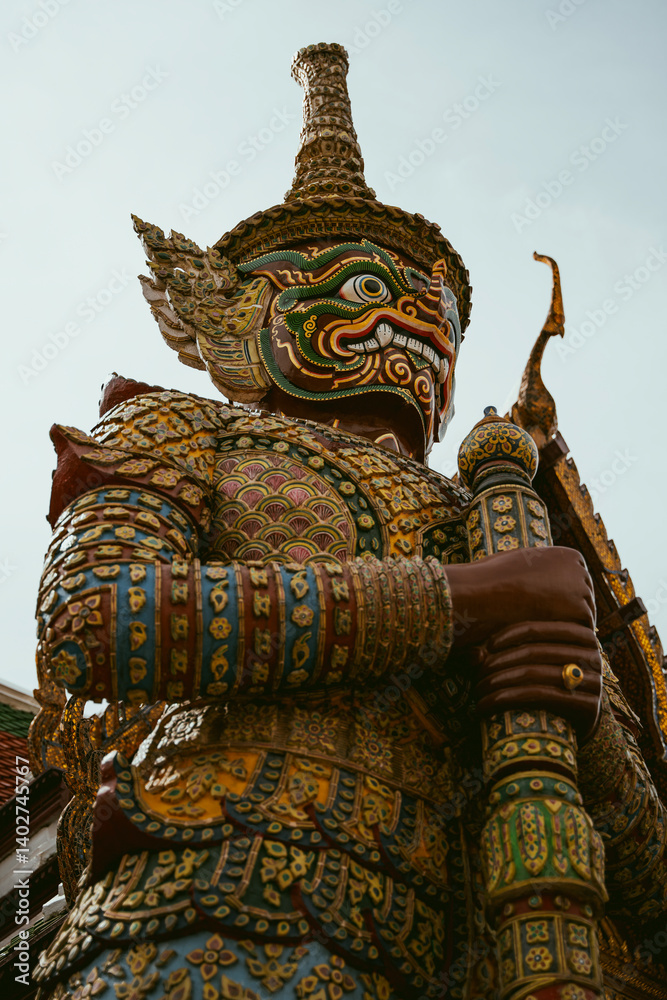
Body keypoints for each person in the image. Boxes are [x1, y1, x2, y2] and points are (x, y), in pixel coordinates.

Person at [33, 43, 602, 1000]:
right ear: (251, 314)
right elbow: (96, 618)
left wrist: (579, 707)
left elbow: (640, 871)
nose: (416, 327)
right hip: (200, 895)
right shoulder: (183, 428)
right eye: (373, 292)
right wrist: (458, 600)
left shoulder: (491, 513)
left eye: (437, 314)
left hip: (450, 940)